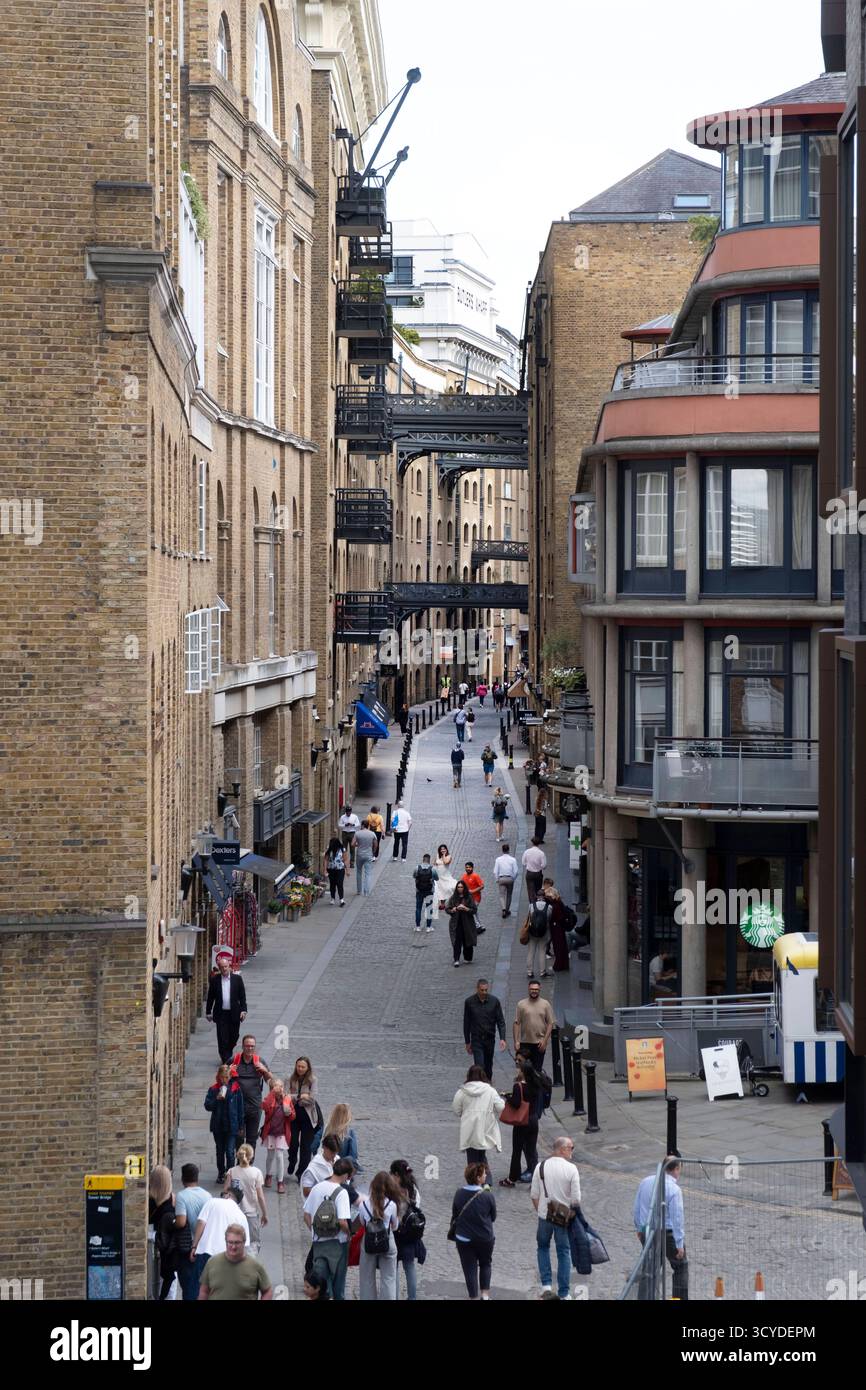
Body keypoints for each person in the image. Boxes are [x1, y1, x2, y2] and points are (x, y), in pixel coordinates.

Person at [531, 1136, 582, 1300]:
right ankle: (564, 1293)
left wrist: (541, 1211)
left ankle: (546, 1285)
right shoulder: (572, 1169)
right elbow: (576, 1200)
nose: (572, 1151)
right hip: (563, 1219)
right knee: (563, 1252)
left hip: (544, 1216)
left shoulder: (540, 1166)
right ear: (562, 1149)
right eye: (570, 1147)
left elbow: (534, 1195)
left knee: (543, 1247)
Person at [634, 1157, 688, 1300]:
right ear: (676, 1169)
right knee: (680, 1266)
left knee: (649, 1269)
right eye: (679, 1170)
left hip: (649, 1231)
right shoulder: (674, 1189)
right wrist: (679, 1244)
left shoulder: (645, 1182)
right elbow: (677, 1219)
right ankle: (679, 1299)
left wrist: (639, 1228)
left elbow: (637, 1207)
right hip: (668, 1233)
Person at [303, 1158, 354, 1301]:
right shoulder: (342, 1192)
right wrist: (349, 1235)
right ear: (346, 1175)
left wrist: (315, 1231)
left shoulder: (317, 1188)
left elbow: (306, 1216)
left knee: (322, 1285)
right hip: (338, 1244)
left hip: (319, 1243)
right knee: (338, 1285)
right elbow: (343, 1222)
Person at [451, 1161, 497, 1301]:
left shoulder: (459, 1193)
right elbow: (493, 1216)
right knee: (485, 1263)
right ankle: (485, 1294)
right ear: (478, 1178)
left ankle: (473, 1297)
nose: (485, 1175)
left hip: (464, 1238)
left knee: (469, 1268)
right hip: (484, 1238)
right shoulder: (487, 1195)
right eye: (484, 1174)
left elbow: (455, 1213)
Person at [499, 1052, 543, 1187]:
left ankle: (512, 1177)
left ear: (523, 1072)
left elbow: (517, 1103)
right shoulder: (536, 1083)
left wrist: (507, 1097)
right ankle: (536, 1178)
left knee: (517, 1150)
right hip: (534, 1119)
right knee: (531, 1149)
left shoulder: (518, 1086)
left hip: (522, 1121)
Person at [357, 1171, 402, 1301]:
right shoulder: (392, 1205)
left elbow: (362, 1223)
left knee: (366, 1278)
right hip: (387, 1240)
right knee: (389, 1278)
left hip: (369, 1241)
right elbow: (395, 1226)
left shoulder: (363, 1205)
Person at [197, 1224, 272, 1301]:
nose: (233, 1247)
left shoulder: (256, 1266)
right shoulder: (212, 1262)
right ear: (226, 1241)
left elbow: (267, 1291)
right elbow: (204, 1292)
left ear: (244, 1242)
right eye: (230, 1242)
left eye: (237, 1243)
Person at [452, 1063, 505, 1170]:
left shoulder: (462, 1091)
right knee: (481, 1154)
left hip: (469, 1128)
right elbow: (500, 1107)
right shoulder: (490, 1091)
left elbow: (456, 1110)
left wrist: (466, 1114)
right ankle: (485, 1181)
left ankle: (475, 1181)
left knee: (472, 1158)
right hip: (485, 1127)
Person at [190, 1183, 251, 1275]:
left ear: (228, 1195)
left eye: (223, 1193)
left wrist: (194, 1246)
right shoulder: (242, 1217)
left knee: (199, 1286)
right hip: (226, 1257)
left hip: (206, 1251)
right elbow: (244, 1245)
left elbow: (201, 1223)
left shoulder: (213, 1202)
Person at [174, 1164, 211, 1300]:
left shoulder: (182, 1196)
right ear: (197, 1178)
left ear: (183, 1178)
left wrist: (172, 1222)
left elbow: (181, 1222)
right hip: (205, 1247)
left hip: (188, 1247)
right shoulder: (207, 1195)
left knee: (189, 1287)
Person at [205, 948, 248, 1064]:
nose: (224, 969)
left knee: (234, 1036)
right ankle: (226, 1059)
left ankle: (228, 1052)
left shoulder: (237, 979)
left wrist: (244, 1010)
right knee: (222, 1037)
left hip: (234, 1012)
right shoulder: (215, 980)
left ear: (229, 967)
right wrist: (208, 1012)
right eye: (222, 967)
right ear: (219, 968)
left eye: (226, 967)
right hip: (221, 1013)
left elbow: (242, 996)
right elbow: (210, 997)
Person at [223, 1144, 267, 1254]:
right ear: (251, 1157)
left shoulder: (232, 1171)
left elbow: (225, 1192)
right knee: (252, 1243)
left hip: (234, 1212)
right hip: (250, 1213)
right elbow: (260, 1197)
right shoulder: (256, 1173)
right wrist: (265, 1214)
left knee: (233, 1242)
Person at [204, 1063, 245, 1183]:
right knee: (220, 1151)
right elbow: (207, 1106)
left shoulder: (235, 1089)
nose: (224, 1080)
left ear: (230, 1077)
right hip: (218, 1125)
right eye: (222, 1077)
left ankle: (230, 1174)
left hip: (232, 1126)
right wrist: (216, 1099)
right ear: (219, 1077)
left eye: (227, 1077)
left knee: (230, 1152)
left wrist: (241, 1125)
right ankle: (221, 1173)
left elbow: (240, 1108)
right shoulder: (213, 1089)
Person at [390, 1160, 425, 1301]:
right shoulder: (413, 1189)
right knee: (409, 1267)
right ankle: (412, 1298)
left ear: (397, 1175)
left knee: (394, 1269)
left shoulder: (392, 1190)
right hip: (410, 1232)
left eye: (392, 1174)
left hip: (396, 1233)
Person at [231, 1035, 271, 1151]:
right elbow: (221, 1077)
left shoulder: (259, 1061)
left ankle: (249, 1164)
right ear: (242, 1046)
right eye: (247, 1046)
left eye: (252, 1046)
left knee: (252, 1138)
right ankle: (240, 1162)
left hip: (254, 1106)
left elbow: (271, 1081)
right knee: (239, 1137)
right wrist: (229, 1071)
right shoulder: (235, 1060)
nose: (250, 1049)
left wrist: (265, 1070)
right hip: (238, 1106)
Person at [463, 978, 507, 1078]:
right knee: (479, 1066)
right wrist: (467, 1042)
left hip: (489, 1039)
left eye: (486, 990)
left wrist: (502, 1038)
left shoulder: (494, 1001)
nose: (484, 992)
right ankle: (480, 1085)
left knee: (488, 1066)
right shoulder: (469, 1002)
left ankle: (488, 1085)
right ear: (477, 989)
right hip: (476, 1039)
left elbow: (500, 1020)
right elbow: (467, 1023)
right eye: (482, 990)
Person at [149, 1165, 180, 1301]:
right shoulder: (173, 1202)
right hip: (169, 1254)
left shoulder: (149, 1203)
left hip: (153, 1250)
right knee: (169, 1290)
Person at [287, 1056, 320, 1180]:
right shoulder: (290, 1079)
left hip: (308, 1117)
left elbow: (312, 1099)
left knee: (306, 1146)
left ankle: (301, 1173)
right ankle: (292, 1161)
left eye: (303, 1067)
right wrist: (301, 1096)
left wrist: (295, 1098)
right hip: (293, 1116)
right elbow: (286, 1096)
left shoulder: (313, 1080)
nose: (300, 1069)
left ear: (308, 1068)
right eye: (298, 1066)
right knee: (293, 1143)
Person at [260, 1077, 295, 1194]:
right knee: (270, 1156)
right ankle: (268, 1175)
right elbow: (264, 1106)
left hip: (281, 1133)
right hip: (271, 1132)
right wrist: (271, 1094)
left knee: (279, 1156)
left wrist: (289, 1112)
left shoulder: (287, 1099)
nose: (279, 1088)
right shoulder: (270, 1099)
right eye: (276, 1086)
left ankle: (280, 1181)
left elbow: (292, 1116)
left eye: (280, 1086)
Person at [513, 979, 554, 1072]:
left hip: (539, 1044)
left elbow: (550, 1023)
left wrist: (545, 1041)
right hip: (524, 1043)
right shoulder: (521, 1004)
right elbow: (517, 1023)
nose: (534, 991)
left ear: (539, 990)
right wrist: (516, 1041)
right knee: (523, 1070)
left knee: (537, 1070)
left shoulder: (545, 1004)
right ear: (528, 989)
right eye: (532, 989)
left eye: (536, 989)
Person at [445, 881, 479, 966]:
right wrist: (452, 910)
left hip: (467, 923)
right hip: (456, 924)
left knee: (467, 940)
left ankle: (468, 958)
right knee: (457, 941)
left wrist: (466, 908)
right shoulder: (453, 898)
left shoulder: (469, 897)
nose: (460, 889)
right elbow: (447, 909)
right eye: (458, 887)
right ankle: (456, 959)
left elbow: (474, 910)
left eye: (461, 887)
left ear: (464, 888)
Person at [300, 1132, 342, 1197]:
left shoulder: (338, 1159)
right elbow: (305, 1191)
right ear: (324, 1147)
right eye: (331, 1152)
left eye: (336, 1152)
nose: (334, 1156)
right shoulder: (314, 1167)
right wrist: (324, 1189)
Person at [325, 1103, 363, 1173]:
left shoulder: (327, 1129)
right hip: (343, 1169)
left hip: (327, 1166)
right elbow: (353, 1155)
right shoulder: (349, 1132)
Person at [523, 894, 553, 980]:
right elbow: (549, 919)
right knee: (542, 952)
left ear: (537, 897)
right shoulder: (549, 907)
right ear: (545, 897)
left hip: (532, 932)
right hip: (544, 932)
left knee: (531, 952)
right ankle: (542, 972)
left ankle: (529, 972)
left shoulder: (531, 906)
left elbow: (528, 917)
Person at [542, 881, 570, 973]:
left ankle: (558, 965)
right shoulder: (559, 902)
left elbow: (551, 916)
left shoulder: (553, 905)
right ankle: (564, 964)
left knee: (558, 946)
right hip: (560, 926)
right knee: (562, 945)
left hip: (556, 927)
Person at [412, 853, 439, 933]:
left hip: (419, 891)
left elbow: (414, 876)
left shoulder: (417, 868)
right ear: (429, 860)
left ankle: (417, 927)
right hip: (429, 891)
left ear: (423, 859)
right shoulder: (432, 869)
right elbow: (437, 879)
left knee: (418, 908)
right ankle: (428, 927)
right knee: (429, 908)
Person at [352, 817, 377, 895]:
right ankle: (366, 891)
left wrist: (358, 845)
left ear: (362, 825)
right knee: (368, 873)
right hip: (368, 854)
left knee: (359, 872)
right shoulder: (372, 834)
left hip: (359, 854)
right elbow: (375, 845)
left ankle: (359, 890)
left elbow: (352, 844)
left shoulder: (357, 833)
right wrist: (373, 852)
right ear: (368, 825)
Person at [493, 843, 519, 918]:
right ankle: (507, 910)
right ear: (508, 850)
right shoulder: (513, 860)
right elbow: (516, 871)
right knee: (509, 894)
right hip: (510, 878)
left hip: (501, 878)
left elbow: (495, 871)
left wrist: (497, 879)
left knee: (501, 895)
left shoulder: (498, 859)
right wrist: (513, 878)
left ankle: (503, 909)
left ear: (502, 850)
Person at [460, 863, 485, 932]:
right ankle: (480, 925)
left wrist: (473, 891)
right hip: (468, 899)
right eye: (466, 867)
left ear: (472, 868)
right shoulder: (464, 876)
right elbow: (462, 885)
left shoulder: (475, 876)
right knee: (475, 912)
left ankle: (477, 926)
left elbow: (482, 886)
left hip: (476, 898)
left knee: (471, 912)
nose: (468, 869)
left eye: (469, 867)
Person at [322, 835, 347, 907]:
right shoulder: (329, 849)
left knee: (339, 883)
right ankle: (332, 898)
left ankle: (341, 899)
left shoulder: (342, 849)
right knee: (332, 884)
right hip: (331, 869)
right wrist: (325, 870)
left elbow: (345, 859)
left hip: (340, 869)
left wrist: (347, 870)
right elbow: (326, 860)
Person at [522, 837, 547, 904]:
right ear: (539, 844)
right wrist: (539, 866)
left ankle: (532, 904)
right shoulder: (541, 853)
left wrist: (529, 864)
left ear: (532, 843)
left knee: (530, 890)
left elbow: (523, 863)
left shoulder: (527, 852)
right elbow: (544, 866)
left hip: (529, 873)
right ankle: (537, 902)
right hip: (538, 873)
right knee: (538, 889)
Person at [434, 843, 458, 910]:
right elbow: (434, 863)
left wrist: (444, 855)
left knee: (448, 887)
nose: (442, 850)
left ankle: (454, 900)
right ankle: (442, 904)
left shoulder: (449, 856)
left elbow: (445, 862)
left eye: (444, 849)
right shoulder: (438, 855)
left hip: (445, 875)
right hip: (438, 876)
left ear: (446, 849)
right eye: (441, 849)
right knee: (441, 889)